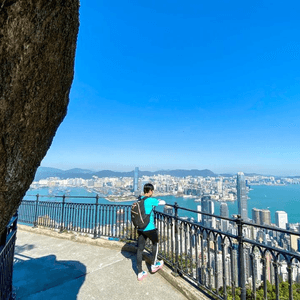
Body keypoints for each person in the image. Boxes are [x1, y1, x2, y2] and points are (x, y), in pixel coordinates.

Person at [137, 183, 166, 281]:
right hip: (149, 227)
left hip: (140, 227)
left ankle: (140, 273)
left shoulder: (139, 199)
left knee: (140, 249)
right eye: (152, 191)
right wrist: (157, 200)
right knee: (155, 244)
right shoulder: (150, 200)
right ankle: (154, 265)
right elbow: (163, 202)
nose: (152, 192)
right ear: (150, 191)